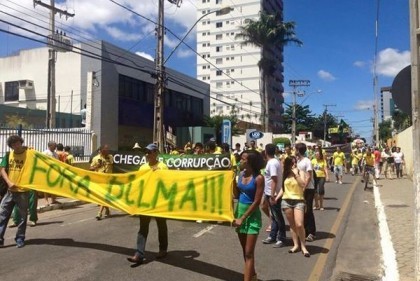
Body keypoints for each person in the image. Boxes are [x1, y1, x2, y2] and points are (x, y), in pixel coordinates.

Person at [127, 143, 169, 265]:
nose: (147, 155)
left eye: (149, 152)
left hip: (159, 202)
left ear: (156, 153)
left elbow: (167, 183)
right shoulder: (142, 168)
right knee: (143, 228)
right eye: (146, 152)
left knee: (161, 226)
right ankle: (139, 254)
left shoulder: (163, 167)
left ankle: (163, 249)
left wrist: (158, 173)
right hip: (145, 202)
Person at [233, 150, 265, 281]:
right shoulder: (241, 174)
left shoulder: (259, 178)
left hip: (251, 216)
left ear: (250, 161)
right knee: (245, 251)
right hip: (239, 212)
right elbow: (236, 195)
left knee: (249, 253)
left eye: (243, 159)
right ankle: (253, 275)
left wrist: (243, 218)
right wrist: (233, 183)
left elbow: (257, 201)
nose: (240, 161)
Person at [0, 135, 30, 248]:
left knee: (22, 217)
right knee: (2, 215)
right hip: (10, 191)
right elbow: (2, 169)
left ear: (21, 142)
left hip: (23, 191)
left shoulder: (29, 154)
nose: (16, 146)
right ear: (10, 146)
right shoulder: (8, 155)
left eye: (17, 143)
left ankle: (20, 238)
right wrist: (8, 182)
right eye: (13, 144)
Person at [277, 156, 310, 257]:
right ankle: (296, 245)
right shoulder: (285, 174)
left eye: (295, 163)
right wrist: (277, 197)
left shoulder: (300, 172)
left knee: (299, 224)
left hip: (298, 200)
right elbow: (283, 188)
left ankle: (303, 246)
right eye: (291, 163)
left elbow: (303, 184)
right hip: (286, 200)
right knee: (292, 224)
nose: (294, 165)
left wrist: (296, 174)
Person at [261, 144, 286, 248]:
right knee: (274, 216)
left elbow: (274, 179)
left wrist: (272, 195)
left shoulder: (272, 163)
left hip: (273, 194)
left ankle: (281, 238)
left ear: (266, 152)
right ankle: (272, 236)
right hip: (269, 192)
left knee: (278, 216)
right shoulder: (274, 162)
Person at [295, 142, 316, 242]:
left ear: (298, 150)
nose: (294, 151)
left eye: (295, 149)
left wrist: (304, 187)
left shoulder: (307, 161)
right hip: (300, 189)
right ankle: (305, 231)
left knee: (308, 210)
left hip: (308, 189)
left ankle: (311, 232)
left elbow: (309, 176)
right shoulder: (298, 161)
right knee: (302, 210)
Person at [90, 144, 113, 220]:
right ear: (102, 150)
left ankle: (99, 213)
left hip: (108, 180)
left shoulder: (110, 157)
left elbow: (112, 166)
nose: (108, 151)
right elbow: (91, 169)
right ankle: (107, 210)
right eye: (106, 149)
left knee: (104, 196)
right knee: (103, 197)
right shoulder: (96, 158)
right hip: (99, 181)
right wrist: (97, 166)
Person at [43, 141, 59, 205]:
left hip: (54, 172)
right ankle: (46, 200)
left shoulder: (55, 154)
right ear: (50, 146)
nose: (55, 147)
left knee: (54, 186)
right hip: (47, 171)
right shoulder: (45, 153)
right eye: (54, 145)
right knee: (46, 187)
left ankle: (53, 199)